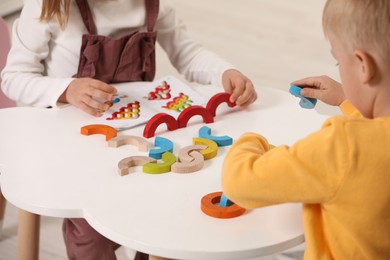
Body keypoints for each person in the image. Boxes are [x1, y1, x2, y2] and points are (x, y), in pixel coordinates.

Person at [1, 0, 257, 259]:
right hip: (72, 148)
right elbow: (14, 78)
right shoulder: (48, 7)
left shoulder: (150, 5)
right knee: (92, 235)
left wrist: (224, 71)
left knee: (167, 215)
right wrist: (68, 90)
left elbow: (186, 51)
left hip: (137, 139)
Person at [222, 0, 390, 259]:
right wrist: (347, 99)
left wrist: (249, 137)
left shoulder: (343, 146)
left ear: (363, 65)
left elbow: (239, 183)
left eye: (339, 63)